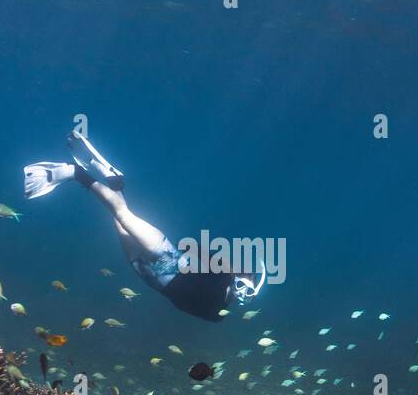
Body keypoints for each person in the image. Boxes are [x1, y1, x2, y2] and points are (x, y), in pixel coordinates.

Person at [24, 125, 264, 321]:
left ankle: (112, 179)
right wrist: (225, 270)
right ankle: (75, 173)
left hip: (147, 274)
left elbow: (183, 303)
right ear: (238, 278)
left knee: (117, 219)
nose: (243, 294)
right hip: (166, 254)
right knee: (122, 215)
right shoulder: (223, 276)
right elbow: (192, 249)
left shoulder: (217, 315)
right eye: (244, 286)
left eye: (249, 294)